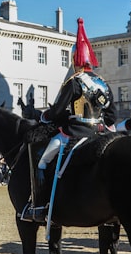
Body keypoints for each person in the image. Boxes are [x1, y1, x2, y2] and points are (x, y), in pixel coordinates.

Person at [20, 17, 115, 223]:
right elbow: (112, 116)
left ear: (74, 60)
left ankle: (39, 208)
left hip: (75, 133)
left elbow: (56, 112)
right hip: (101, 133)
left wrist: (43, 116)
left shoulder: (74, 82)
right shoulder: (103, 83)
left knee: (42, 161)